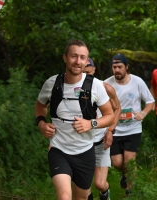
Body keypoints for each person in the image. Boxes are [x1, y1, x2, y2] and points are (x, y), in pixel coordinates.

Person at [35, 39, 114, 200]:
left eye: (82, 58)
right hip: (58, 150)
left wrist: (90, 124)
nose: (78, 61)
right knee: (64, 196)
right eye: (74, 56)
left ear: (86, 61)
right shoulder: (52, 83)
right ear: (65, 58)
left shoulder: (96, 86)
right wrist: (41, 123)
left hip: (85, 152)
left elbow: (110, 116)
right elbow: (40, 106)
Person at [104, 53, 155, 196]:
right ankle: (125, 175)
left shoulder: (137, 82)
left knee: (129, 161)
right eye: (114, 67)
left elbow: (150, 102)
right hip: (115, 129)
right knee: (117, 163)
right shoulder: (106, 84)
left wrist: (143, 113)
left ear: (127, 67)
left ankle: (130, 193)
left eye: (120, 67)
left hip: (133, 129)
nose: (117, 70)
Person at [83, 58, 121, 200]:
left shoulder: (105, 87)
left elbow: (117, 108)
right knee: (84, 185)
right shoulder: (72, 89)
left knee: (99, 184)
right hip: (82, 143)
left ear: (94, 69)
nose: (86, 72)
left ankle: (105, 193)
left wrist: (110, 130)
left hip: (100, 142)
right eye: (83, 69)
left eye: (89, 69)